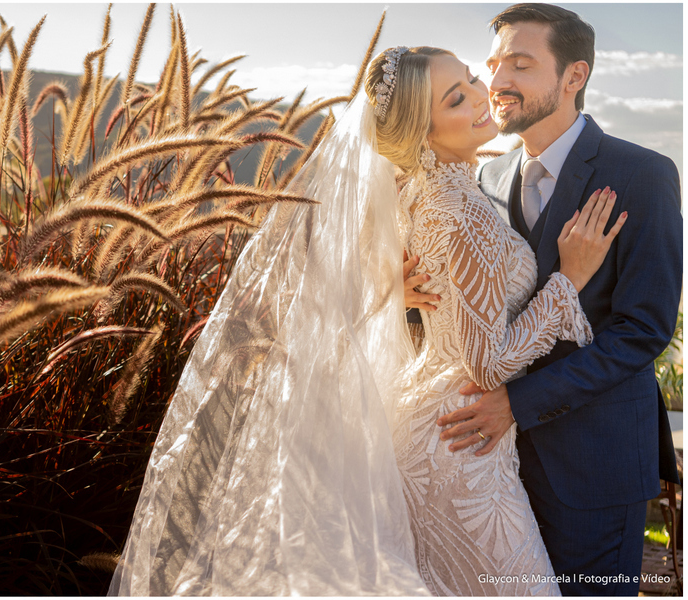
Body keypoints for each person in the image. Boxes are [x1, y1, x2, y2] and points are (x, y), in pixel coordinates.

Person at [107, 41, 623, 597]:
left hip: (436, 427)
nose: (481, 97)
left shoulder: (421, 194)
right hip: (460, 445)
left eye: (472, 80)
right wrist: (570, 277)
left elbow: (342, 283)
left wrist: (390, 291)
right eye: (456, 99)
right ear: (423, 134)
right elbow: (488, 361)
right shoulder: (455, 210)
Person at [433, 4, 682, 595]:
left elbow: (643, 330)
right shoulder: (488, 180)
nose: (497, 83)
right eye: (494, 65)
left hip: (592, 470)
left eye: (521, 64)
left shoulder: (643, 174)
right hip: (494, 471)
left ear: (574, 76)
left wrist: (517, 403)